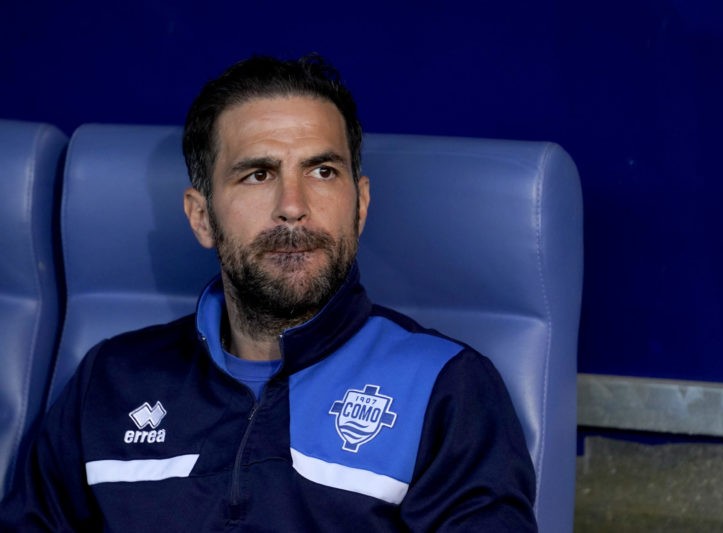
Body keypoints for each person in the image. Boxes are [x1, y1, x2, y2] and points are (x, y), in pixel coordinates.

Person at [1, 55, 537, 531]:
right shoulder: (111, 380)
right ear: (201, 216)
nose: (293, 205)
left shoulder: (447, 387)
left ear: (361, 203)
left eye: (323, 171)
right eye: (257, 175)